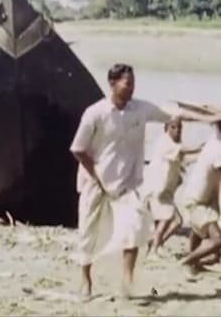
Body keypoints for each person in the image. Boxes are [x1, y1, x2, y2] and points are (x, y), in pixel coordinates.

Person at [70, 63, 206, 299]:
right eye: (127, 83)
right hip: (96, 182)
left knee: (134, 227)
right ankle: (86, 281)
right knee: (88, 233)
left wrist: (210, 116)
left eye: (133, 82)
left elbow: (176, 115)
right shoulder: (96, 112)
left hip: (127, 184)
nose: (132, 87)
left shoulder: (140, 109)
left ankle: (127, 281)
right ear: (113, 84)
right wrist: (98, 175)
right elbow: (78, 149)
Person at [143, 117, 203, 258]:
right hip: (157, 190)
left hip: (166, 192)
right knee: (166, 219)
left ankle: (156, 243)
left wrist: (203, 155)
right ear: (166, 128)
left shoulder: (174, 146)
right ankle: (153, 251)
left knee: (176, 221)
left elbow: (185, 159)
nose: (178, 131)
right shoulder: (165, 143)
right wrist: (202, 147)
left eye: (180, 128)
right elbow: (184, 151)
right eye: (174, 127)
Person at [181, 119, 221, 273]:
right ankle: (187, 262)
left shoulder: (214, 139)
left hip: (201, 197)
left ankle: (193, 264)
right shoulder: (218, 150)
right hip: (197, 201)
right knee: (217, 239)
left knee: (198, 230)